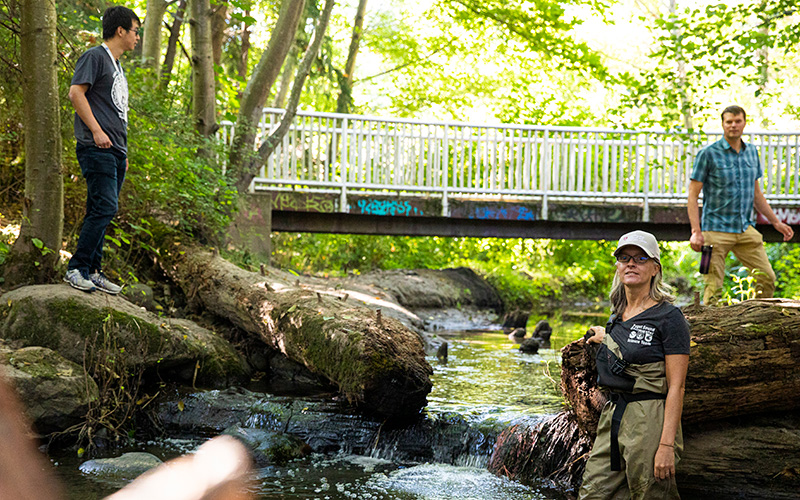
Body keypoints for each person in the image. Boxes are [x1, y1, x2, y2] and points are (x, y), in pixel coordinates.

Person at [579, 230, 690, 500]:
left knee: (650, 494)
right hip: (613, 417)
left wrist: (665, 445)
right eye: (624, 257)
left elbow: (677, 386)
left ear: (655, 268)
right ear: (617, 267)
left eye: (640, 258)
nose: (631, 263)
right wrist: (604, 338)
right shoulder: (616, 317)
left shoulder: (669, 317)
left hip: (649, 419)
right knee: (592, 493)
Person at [63, 6, 140, 294]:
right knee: (106, 206)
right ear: (120, 30)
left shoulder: (117, 67)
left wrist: (124, 151)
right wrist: (96, 131)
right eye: (135, 31)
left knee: (99, 208)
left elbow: (117, 112)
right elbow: (75, 93)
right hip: (97, 148)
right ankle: (76, 268)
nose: (137, 37)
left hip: (115, 151)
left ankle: (93, 270)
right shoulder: (95, 56)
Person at [688, 105, 794, 305]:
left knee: (767, 278)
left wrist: (776, 223)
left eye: (737, 121)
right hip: (714, 231)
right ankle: (712, 333)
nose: (733, 126)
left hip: (745, 229)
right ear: (722, 124)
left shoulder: (751, 152)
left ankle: (756, 321)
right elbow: (692, 195)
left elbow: (757, 194)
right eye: (729, 122)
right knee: (713, 288)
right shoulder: (708, 154)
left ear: (744, 123)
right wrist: (696, 231)